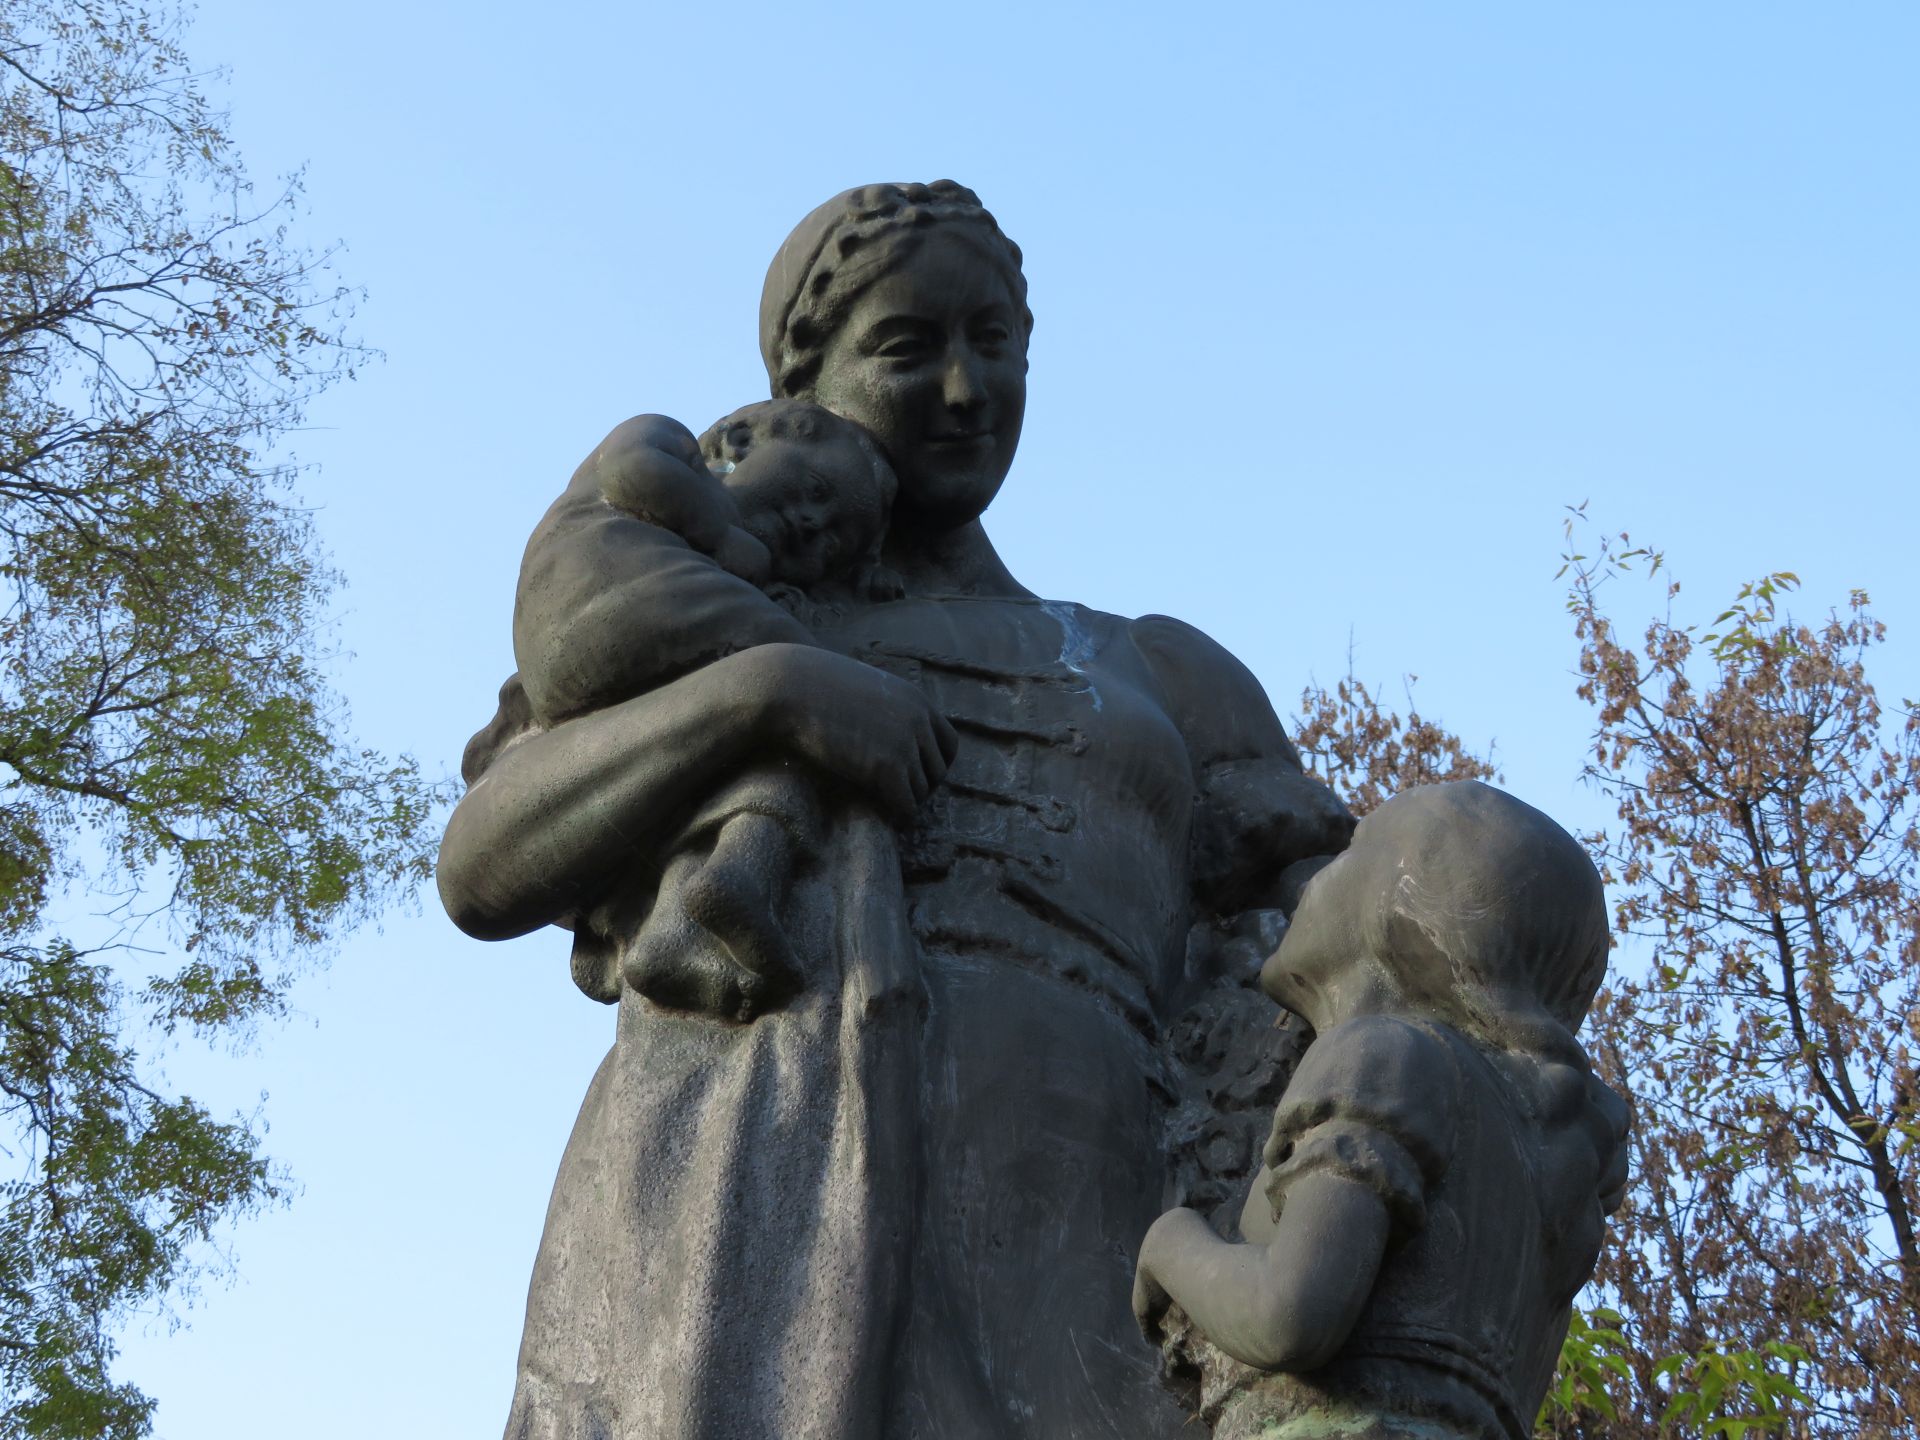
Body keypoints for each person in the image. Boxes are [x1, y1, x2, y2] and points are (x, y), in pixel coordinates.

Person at [439, 181, 1355, 1439]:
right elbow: (483, 864)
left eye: (996, 344)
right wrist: (768, 693)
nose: (967, 390)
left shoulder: (1163, 670)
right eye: (908, 348)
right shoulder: (709, 614)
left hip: (1088, 1216)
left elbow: (1345, 954)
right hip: (740, 1180)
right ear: (804, 385)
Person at [1132, 782, 1631, 1440]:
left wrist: (1172, 1245)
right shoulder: (1553, 1161)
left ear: (1403, 906)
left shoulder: (1383, 1056)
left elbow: (1289, 1319)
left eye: (1351, 852)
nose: (1310, 876)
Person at [510, 399, 899, 1017]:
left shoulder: (740, 577)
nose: (811, 520)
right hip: (616, 589)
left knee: (774, 748)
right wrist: (722, 534)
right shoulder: (670, 445)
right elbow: (634, 468)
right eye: (816, 490)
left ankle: (714, 899)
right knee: (822, 689)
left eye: (831, 542)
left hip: (617, 664)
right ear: (736, 442)